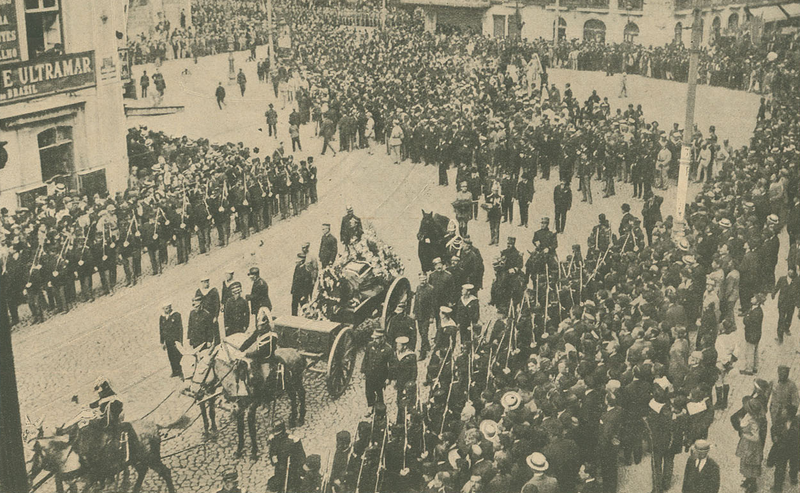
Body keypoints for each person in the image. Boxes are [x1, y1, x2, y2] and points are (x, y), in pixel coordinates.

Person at [736, 398, 765, 493]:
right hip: (746, 445)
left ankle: (752, 485)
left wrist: (745, 435)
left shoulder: (754, 422)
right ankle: (748, 479)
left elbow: (756, 437)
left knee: (751, 466)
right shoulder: (749, 415)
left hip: (751, 447)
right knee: (745, 463)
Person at [362, 328, 392, 414]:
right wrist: (364, 371)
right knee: (369, 391)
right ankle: (370, 406)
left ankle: (380, 409)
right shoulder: (370, 345)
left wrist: (389, 378)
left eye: (377, 338)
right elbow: (366, 359)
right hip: (370, 374)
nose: (375, 340)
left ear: (382, 338)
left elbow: (392, 365)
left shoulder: (388, 349)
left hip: (380, 376)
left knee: (379, 392)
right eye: (374, 338)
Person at [772, 266, 799, 344]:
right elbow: (777, 287)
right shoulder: (782, 279)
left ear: (794, 273)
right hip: (782, 303)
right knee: (781, 319)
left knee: (789, 317)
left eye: (792, 271)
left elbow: (798, 293)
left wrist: (798, 304)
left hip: (791, 304)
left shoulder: (797, 281)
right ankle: (780, 337)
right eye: (789, 270)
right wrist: (773, 293)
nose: (790, 272)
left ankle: (786, 328)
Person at [741, 293, 765, 375]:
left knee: (749, 352)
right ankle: (755, 367)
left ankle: (749, 369)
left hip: (751, 335)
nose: (752, 298)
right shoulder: (757, 310)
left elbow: (747, 321)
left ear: (757, 302)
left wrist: (746, 317)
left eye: (754, 298)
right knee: (755, 351)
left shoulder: (755, 312)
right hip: (756, 334)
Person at [159, 302, 183, 377]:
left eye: (168, 308)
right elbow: (161, 330)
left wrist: (180, 340)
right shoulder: (162, 317)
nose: (167, 310)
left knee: (178, 355)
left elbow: (180, 329)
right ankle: (175, 371)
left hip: (175, 340)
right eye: (165, 308)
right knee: (171, 356)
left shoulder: (176, 315)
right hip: (168, 340)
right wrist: (162, 342)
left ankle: (181, 370)